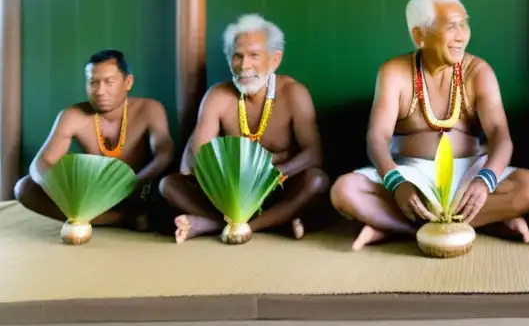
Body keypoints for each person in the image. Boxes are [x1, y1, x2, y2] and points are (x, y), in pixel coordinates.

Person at [330, 0, 529, 251]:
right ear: (420, 35)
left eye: (464, 25)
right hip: (410, 173)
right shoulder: (394, 72)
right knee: (344, 190)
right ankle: (479, 224)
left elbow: (501, 136)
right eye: (451, 27)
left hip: (469, 173)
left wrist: (485, 180)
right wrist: (396, 182)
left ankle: (392, 227)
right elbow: (377, 138)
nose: (461, 36)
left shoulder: (478, 71)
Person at [160, 13, 330, 243]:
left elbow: (314, 154)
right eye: (237, 56)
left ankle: (232, 226)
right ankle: (260, 223)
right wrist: (226, 184)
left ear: (275, 60)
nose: (244, 65)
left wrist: (273, 176)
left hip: (277, 187)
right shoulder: (217, 95)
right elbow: (196, 155)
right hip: (228, 194)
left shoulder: (293, 93)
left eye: (254, 55)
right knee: (168, 185)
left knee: (316, 181)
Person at [15, 49, 175, 232]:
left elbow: (164, 153)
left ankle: (129, 214)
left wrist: (134, 183)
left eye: (109, 82)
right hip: (93, 194)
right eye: (93, 82)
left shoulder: (150, 108)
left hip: (138, 190)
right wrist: (59, 190)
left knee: (167, 189)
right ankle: (118, 219)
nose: (100, 91)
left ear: (127, 82)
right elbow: (40, 163)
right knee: (24, 188)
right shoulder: (72, 115)